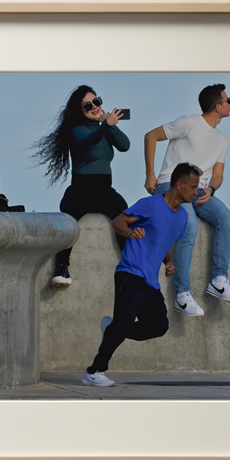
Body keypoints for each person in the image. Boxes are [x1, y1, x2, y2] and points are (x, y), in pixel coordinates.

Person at [82, 163, 203, 387]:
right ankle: (94, 371)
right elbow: (118, 221)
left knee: (159, 326)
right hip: (130, 272)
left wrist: (168, 261)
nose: (196, 192)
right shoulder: (151, 204)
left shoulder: (182, 217)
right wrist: (130, 232)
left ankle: (112, 329)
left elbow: (166, 240)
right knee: (124, 323)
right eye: (193, 187)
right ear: (179, 184)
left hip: (150, 281)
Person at [143, 83, 230, 316]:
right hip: (171, 184)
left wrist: (211, 189)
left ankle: (219, 280)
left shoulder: (223, 140)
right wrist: (150, 174)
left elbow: (217, 174)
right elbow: (151, 136)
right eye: (228, 100)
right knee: (190, 225)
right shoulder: (188, 123)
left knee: (224, 216)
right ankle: (182, 295)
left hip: (198, 191)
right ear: (218, 106)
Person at [30, 85, 131, 287]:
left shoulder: (105, 127)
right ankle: (62, 269)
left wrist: (109, 124)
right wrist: (105, 125)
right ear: (79, 109)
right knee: (67, 221)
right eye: (88, 105)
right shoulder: (76, 130)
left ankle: (130, 268)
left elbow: (125, 146)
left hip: (104, 190)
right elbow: (89, 141)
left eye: (96, 101)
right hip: (81, 190)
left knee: (125, 216)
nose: (94, 107)